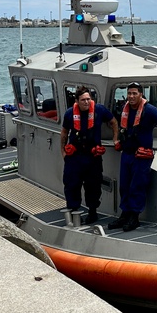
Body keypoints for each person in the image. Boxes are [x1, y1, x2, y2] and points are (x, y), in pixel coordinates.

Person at [110, 82, 157, 231]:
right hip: (127, 154)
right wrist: (117, 140)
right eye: (129, 93)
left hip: (142, 156)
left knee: (137, 186)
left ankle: (134, 217)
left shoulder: (150, 110)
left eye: (134, 93)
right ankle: (124, 214)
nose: (131, 96)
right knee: (124, 186)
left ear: (141, 94)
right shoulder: (124, 109)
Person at [61, 88, 119, 224]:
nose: (86, 102)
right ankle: (74, 212)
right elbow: (64, 133)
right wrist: (63, 152)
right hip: (75, 157)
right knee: (72, 185)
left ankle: (92, 212)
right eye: (83, 100)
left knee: (93, 185)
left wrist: (115, 138)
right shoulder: (69, 114)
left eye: (88, 99)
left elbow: (114, 122)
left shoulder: (100, 110)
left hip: (93, 157)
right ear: (77, 101)